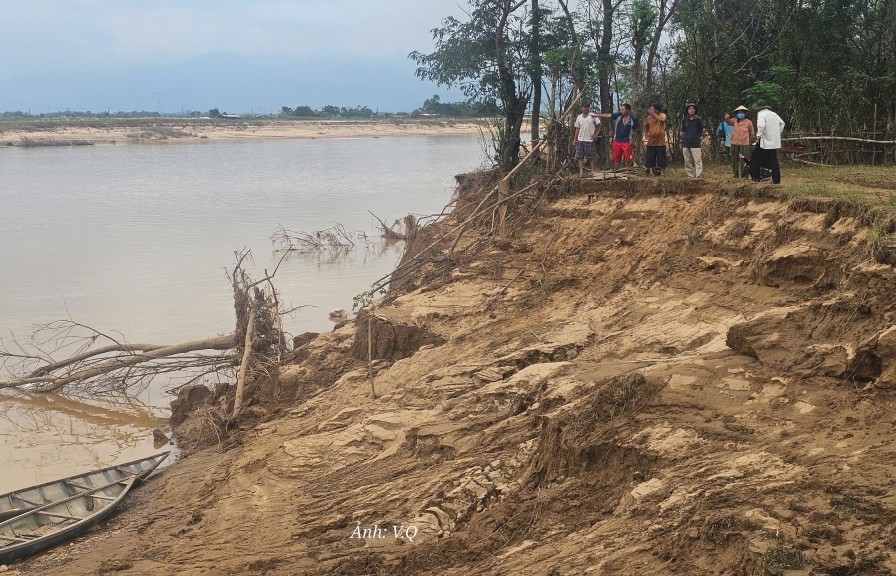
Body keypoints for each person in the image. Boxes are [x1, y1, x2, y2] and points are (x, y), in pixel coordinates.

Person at [751, 99, 785, 184]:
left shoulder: (761, 114)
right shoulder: (774, 114)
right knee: (774, 161)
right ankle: (776, 180)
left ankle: (756, 178)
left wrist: (758, 136)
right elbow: (782, 123)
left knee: (755, 159)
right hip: (774, 142)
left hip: (764, 141)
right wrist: (777, 133)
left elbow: (761, 125)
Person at [596, 103, 640, 170]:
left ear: (628, 110)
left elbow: (636, 130)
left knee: (630, 158)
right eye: (621, 109)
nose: (621, 111)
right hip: (617, 141)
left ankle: (630, 172)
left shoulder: (633, 119)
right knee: (616, 159)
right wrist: (597, 115)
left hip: (627, 141)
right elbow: (608, 115)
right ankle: (615, 172)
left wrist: (633, 142)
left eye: (623, 109)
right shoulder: (618, 116)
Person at [725, 105, 755, 178]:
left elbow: (752, 133)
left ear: (745, 113)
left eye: (742, 112)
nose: (740, 113)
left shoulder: (748, 122)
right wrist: (727, 118)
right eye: (739, 112)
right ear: (737, 113)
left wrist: (750, 142)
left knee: (744, 160)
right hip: (734, 142)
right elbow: (729, 122)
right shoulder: (734, 120)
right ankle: (735, 175)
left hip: (745, 143)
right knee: (734, 159)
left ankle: (744, 176)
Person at [573, 102, 601, 177]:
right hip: (580, 139)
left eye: (587, 108)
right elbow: (577, 128)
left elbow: (599, 125)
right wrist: (575, 139)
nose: (586, 110)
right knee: (580, 156)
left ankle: (592, 171)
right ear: (582, 108)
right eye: (585, 108)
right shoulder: (579, 117)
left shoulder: (592, 116)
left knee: (591, 156)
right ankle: (581, 171)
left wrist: (596, 135)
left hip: (589, 139)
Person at [643, 103, 667, 176]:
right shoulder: (649, 118)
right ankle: (651, 172)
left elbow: (663, 120)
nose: (650, 111)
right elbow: (645, 125)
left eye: (652, 109)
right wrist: (646, 133)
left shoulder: (662, 115)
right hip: (651, 142)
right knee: (650, 157)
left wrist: (653, 114)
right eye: (650, 109)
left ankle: (662, 172)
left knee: (661, 158)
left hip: (661, 142)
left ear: (657, 110)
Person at [680, 103, 703, 178]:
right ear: (687, 110)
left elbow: (700, 130)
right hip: (686, 143)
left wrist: (697, 138)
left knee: (697, 161)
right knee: (687, 161)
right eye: (689, 109)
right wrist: (684, 139)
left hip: (696, 143)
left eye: (693, 108)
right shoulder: (684, 120)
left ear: (695, 110)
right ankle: (690, 175)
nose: (691, 110)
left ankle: (699, 175)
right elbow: (683, 131)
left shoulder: (698, 120)